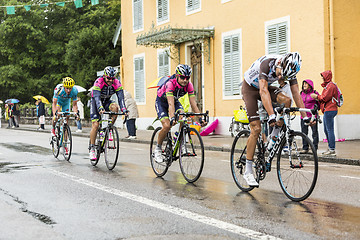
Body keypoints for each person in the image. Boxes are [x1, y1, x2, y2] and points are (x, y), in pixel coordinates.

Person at [241, 52, 309, 186]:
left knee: (287, 100)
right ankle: (248, 171)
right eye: (279, 74)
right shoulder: (267, 63)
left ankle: (274, 136)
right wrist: (271, 115)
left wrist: (305, 116)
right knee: (256, 129)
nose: (279, 78)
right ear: (279, 64)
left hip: (265, 87)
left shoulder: (289, 70)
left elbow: (296, 94)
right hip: (250, 88)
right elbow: (263, 91)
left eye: (283, 77)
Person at [154, 64, 207, 163]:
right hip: (162, 102)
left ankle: (179, 140)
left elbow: (193, 104)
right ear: (177, 76)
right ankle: (158, 149)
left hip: (175, 101)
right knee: (166, 126)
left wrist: (200, 118)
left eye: (187, 78)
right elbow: (170, 103)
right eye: (182, 77)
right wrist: (172, 117)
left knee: (183, 117)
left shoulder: (189, 85)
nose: (185, 80)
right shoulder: (170, 84)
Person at [89, 66, 127, 160]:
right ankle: (92, 148)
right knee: (96, 124)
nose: (110, 80)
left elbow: (121, 98)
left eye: (112, 78)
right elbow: (97, 98)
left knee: (115, 107)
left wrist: (124, 109)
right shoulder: (99, 81)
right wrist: (100, 108)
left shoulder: (117, 83)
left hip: (106, 102)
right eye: (108, 78)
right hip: (95, 102)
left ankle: (109, 129)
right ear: (104, 76)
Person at [311, 70, 338, 156]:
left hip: (330, 109)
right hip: (329, 109)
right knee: (327, 130)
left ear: (327, 77)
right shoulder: (329, 86)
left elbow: (324, 98)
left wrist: (316, 97)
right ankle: (330, 148)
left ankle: (332, 149)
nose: (322, 78)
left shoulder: (330, 86)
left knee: (329, 130)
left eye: (323, 76)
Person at [51, 77, 79, 155]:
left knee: (66, 120)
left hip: (66, 102)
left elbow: (74, 105)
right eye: (67, 88)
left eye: (70, 88)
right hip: (58, 102)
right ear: (64, 87)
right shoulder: (58, 89)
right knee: (57, 115)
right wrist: (54, 115)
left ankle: (65, 145)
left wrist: (76, 113)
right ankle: (53, 128)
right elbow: (54, 103)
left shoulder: (75, 91)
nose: (69, 90)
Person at [300, 79, 319, 153]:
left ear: (310, 85)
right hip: (303, 116)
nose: (304, 85)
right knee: (304, 133)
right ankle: (305, 148)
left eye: (306, 84)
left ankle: (314, 148)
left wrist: (317, 111)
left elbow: (319, 103)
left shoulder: (314, 93)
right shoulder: (301, 93)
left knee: (314, 132)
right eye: (303, 84)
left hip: (312, 116)